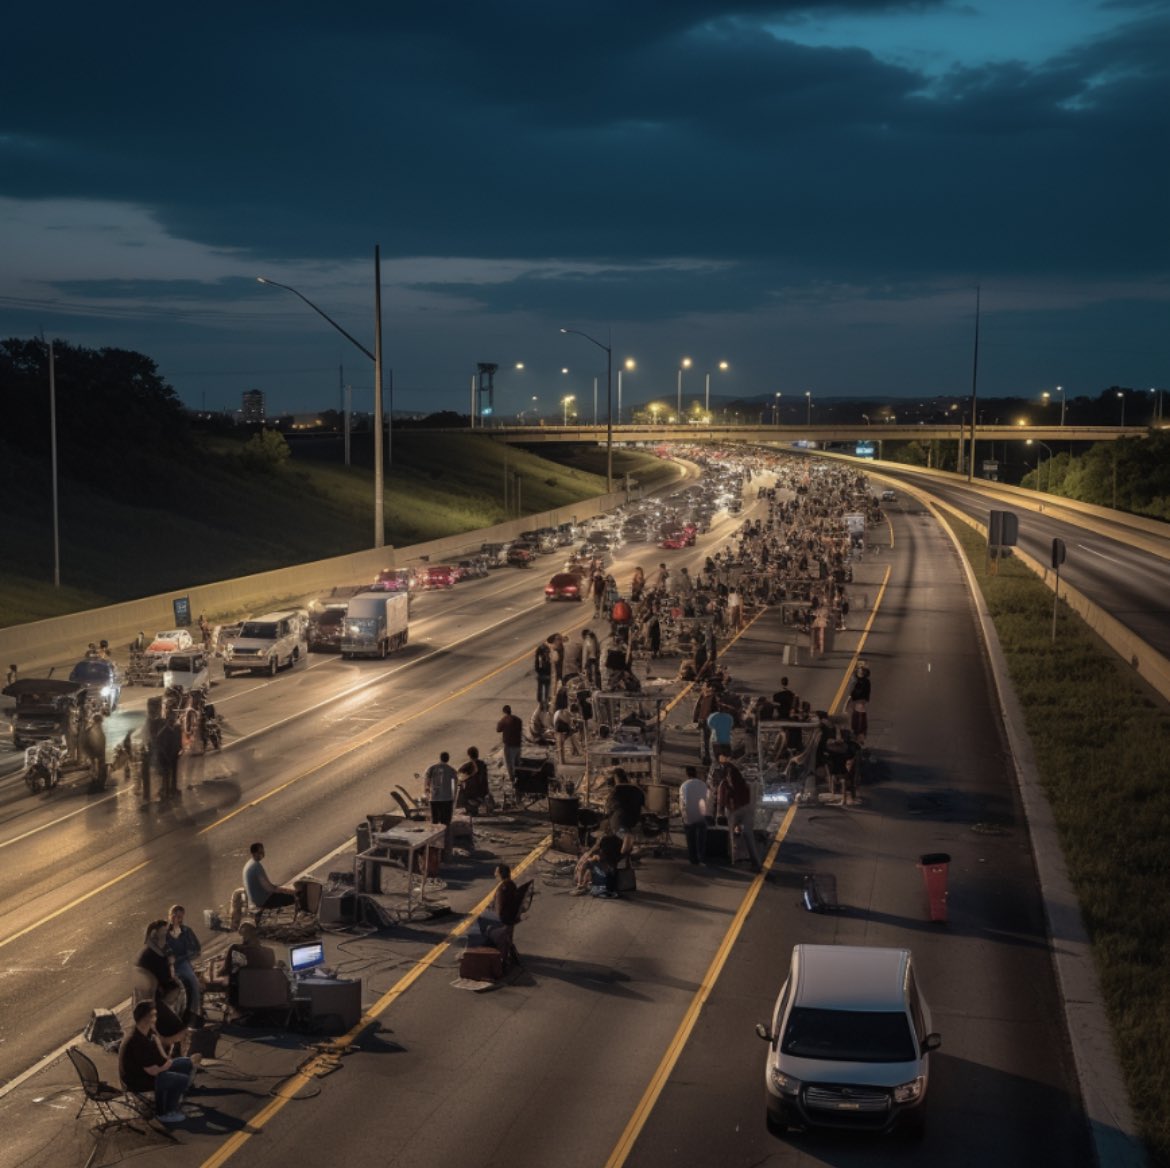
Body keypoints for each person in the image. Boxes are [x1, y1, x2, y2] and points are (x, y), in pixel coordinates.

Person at [118, 1001, 196, 1124]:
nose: (156, 1018)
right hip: (138, 1081)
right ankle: (165, 1113)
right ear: (146, 1019)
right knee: (181, 1079)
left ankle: (174, 1098)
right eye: (153, 1015)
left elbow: (162, 1057)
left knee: (185, 1063)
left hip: (151, 1071)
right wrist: (168, 1065)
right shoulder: (136, 1041)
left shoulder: (148, 1032)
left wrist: (167, 1059)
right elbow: (153, 1071)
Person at [714, 748, 761, 872]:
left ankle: (734, 861)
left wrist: (721, 811)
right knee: (748, 834)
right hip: (745, 805)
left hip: (735, 807)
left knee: (731, 835)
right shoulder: (736, 770)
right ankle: (755, 861)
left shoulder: (727, 772)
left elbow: (723, 795)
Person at [164, 905, 203, 1021]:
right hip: (166, 966)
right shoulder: (163, 933)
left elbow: (196, 949)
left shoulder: (186, 931)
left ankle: (195, 1011)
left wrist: (184, 957)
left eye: (180, 917)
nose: (177, 919)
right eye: (174, 916)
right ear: (169, 916)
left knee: (193, 981)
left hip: (181, 964)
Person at [242, 842, 296, 913]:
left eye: (263, 851)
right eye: (260, 852)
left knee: (280, 889)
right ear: (254, 853)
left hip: (253, 900)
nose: (263, 854)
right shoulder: (256, 867)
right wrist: (286, 890)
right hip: (262, 901)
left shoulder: (249, 864)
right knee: (292, 897)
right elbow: (269, 888)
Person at [607, 769, 646, 862]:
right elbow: (643, 804)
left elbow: (610, 807)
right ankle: (628, 855)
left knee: (623, 834)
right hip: (634, 819)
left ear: (615, 778)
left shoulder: (616, 790)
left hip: (619, 819)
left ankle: (622, 857)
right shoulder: (637, 789)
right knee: (625, 834)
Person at [679, 766, 711, 866]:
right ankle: (701, 857)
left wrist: (682, 814)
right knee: (701, 837)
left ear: (687, 774)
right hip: (701, 814)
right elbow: (708, 798)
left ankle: (693, 859)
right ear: (696, 773)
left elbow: (683, 802)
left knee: (691, 838)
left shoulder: (684, 785)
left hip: (689, 814)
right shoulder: (703, 784)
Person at [423, 750, 458, 826]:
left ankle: (437, 836)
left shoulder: (431, 768)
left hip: (434, 798)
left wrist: (427, 794)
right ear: (448, 759)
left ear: (440, 758)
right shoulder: (451, 770)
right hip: (447, 799)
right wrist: (454, 796)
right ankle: (446, 836)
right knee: (446, 822)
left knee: (435, 821)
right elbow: (456, 783)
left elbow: (426, 783)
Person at [457, 745, 493, 816]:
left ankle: (468, 808)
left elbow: (459, 776)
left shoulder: (467, 765)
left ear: (469, 755)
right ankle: (474, 806)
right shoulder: (483, 764)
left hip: (471, 792)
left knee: (460, 788)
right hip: (483, 791)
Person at [497, 705, 523, 786]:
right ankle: (520, 778)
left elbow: (498, 729)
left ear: (504, 712)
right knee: (517, 762)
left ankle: (513, 781)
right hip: (518, 744)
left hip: (508, 745)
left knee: (509, 764)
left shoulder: (504, 720)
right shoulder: (518, 719)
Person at [849, 663, 871, 741]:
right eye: (860, 670)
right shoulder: (854, 679)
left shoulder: (866, 682)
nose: (861, 672)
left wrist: (863, 702)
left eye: (863, 670)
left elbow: (866, 694)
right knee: (855, 718)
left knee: (861, 719)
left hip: (860, 702)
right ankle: (856, 734)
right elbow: (851, 691)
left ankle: (860, 735)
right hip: (855, 701)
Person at [534, 639, 553, 708]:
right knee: (547, 689)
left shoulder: (539, 655)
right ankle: (546, 702)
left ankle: (541, 703)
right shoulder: (548, 655)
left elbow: (537, 665)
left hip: (541, 674)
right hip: (546, 674)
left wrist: (538, 671)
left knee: (540, 689)